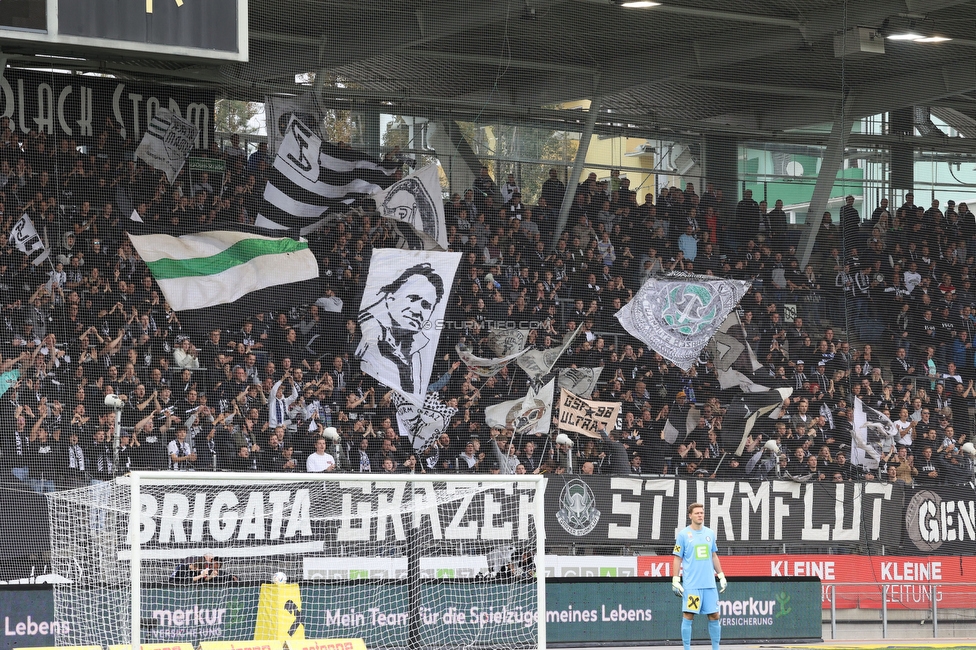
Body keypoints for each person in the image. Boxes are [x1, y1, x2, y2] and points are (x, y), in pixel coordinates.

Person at [356, 263, 445, 396]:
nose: (417, 310)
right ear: (390, 298)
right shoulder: (370, 334)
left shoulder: (419, 353)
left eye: (426, 306)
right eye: (413, 298)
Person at [672, 502, 726, 650]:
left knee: (714, 615)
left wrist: (721, 575)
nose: (700, 515)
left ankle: (716, 648)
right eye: (697, 513)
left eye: (701, 513)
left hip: (709, 585)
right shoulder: (683, 535)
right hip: (692, 586)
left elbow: (714, 555)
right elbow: (677, 558)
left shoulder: (710, 533)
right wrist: (675, 579)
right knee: (688, 615)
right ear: (690, 515)